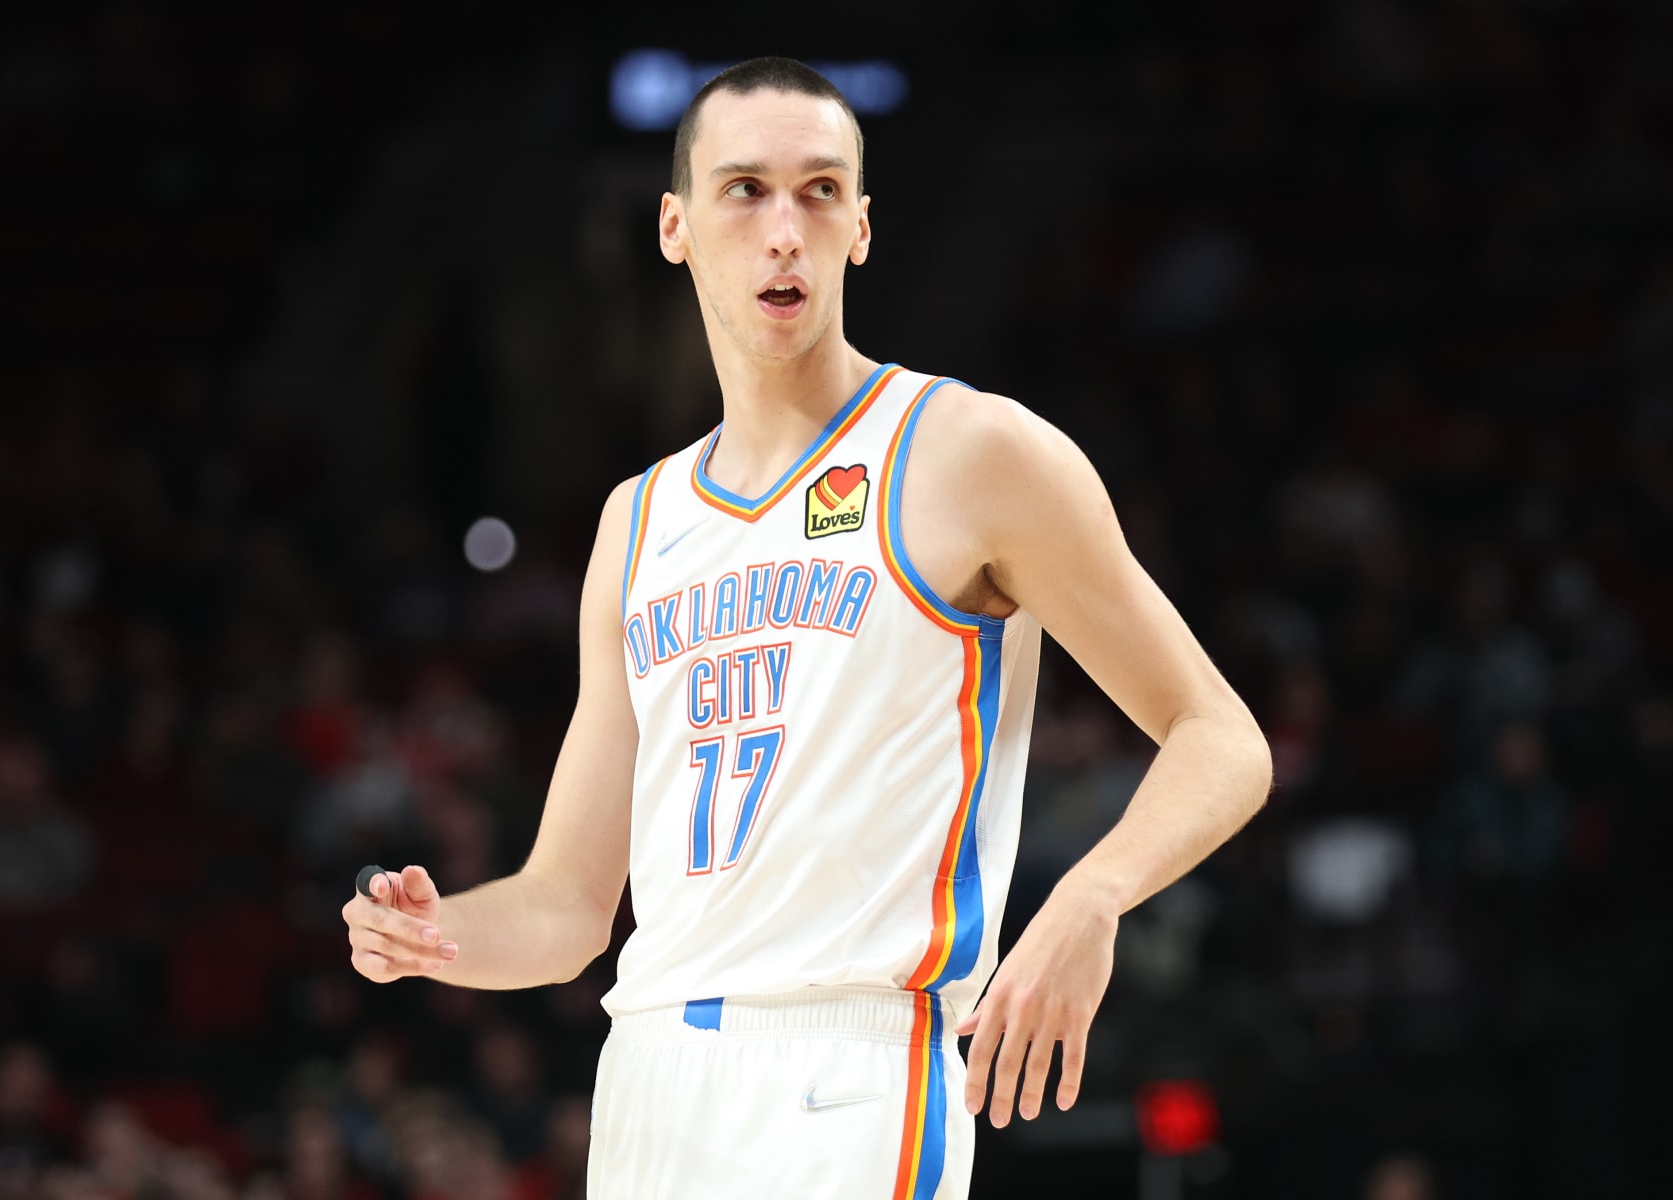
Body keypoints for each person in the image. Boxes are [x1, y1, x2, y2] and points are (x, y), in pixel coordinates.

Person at [342, 57, 1272, 1199]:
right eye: (746, 190)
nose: (785, 228)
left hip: (849, 1072)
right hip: (648, 1080)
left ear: (863, 228)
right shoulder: (636, 524)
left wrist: (1093, 894)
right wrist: (435, 937)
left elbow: (1223, 737)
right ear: (675, 225)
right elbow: (571, 908)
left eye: (819, 191)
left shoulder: (970, 453)